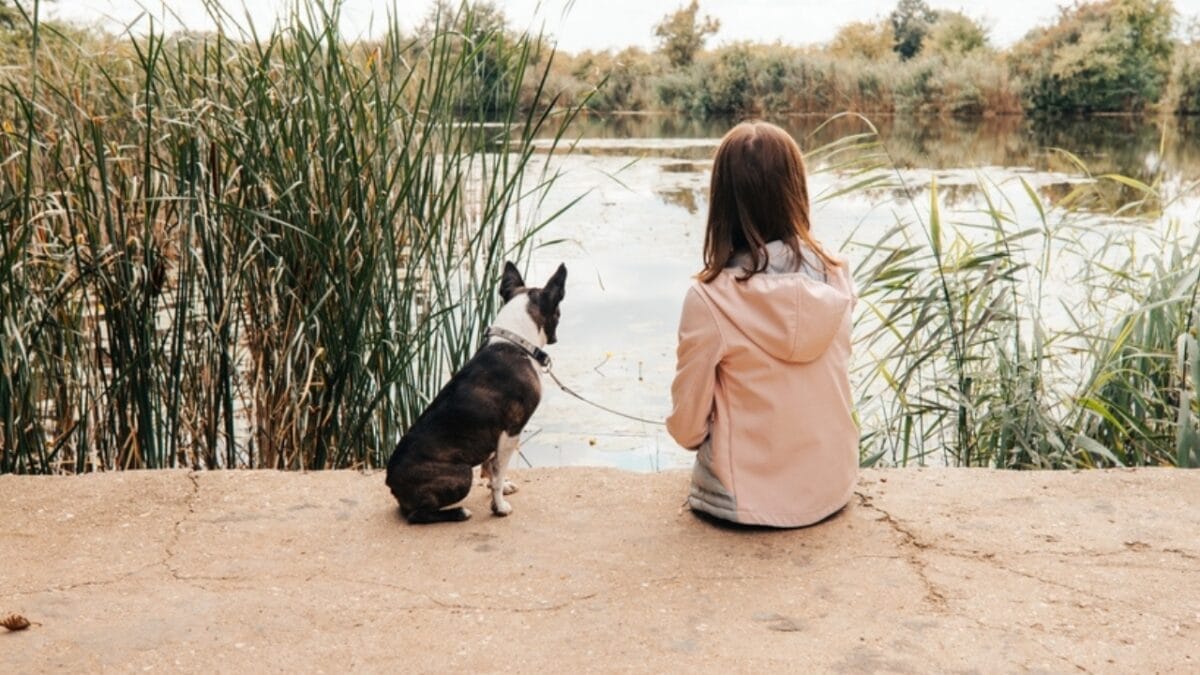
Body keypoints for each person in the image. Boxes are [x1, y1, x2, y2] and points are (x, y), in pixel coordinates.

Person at [665, 120, 858, 528]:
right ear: (796, 191)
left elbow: (686, 430)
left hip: (742, 503)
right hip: (833, 488)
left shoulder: (709, 299)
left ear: (722, 202)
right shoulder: (838, 275)